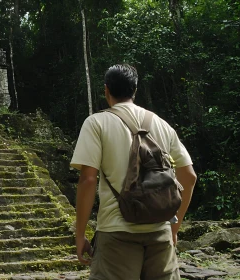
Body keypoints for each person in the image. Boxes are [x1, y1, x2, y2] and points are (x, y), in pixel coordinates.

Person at [70, 64, 197, 280]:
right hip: (160, 233)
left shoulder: (96, 123)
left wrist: (80, 234)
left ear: (106, 90)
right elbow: (189, 177)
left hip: (116, 235)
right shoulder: (161, 124)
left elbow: (88, 179)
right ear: (134, 90)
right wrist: (173, 230)